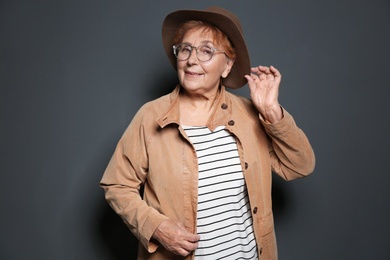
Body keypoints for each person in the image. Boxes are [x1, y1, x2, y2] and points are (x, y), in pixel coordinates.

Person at [100, 6, 315, 260]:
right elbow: (117, 184)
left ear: (227, 65)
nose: (192, 60)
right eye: (185, 49)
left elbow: (300, 165)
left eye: (206, 51)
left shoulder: (248, 115)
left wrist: (271, 112)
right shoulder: (151, 117)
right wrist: (155, 226)